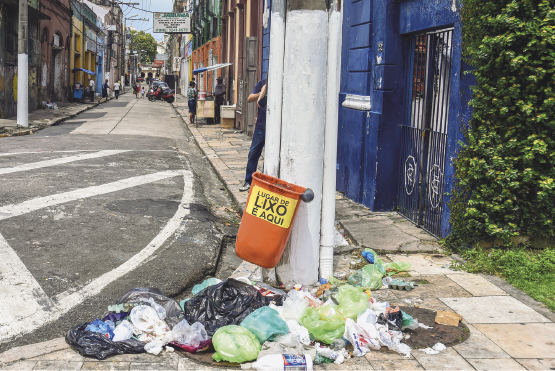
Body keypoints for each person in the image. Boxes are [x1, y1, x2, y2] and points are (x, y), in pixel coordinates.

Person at [239, 79, 267, 192]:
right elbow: (250, 98)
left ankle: (266, 182)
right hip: (261, 126)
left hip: (275, 127)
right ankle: (248, 181)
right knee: (253, 153)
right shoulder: (262, 83)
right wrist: (262, 92)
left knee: (270, 156)